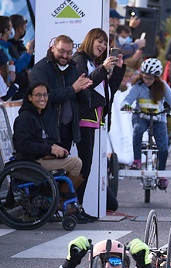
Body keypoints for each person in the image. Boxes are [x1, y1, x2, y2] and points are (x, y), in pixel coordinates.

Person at [72, 28, 125, 211]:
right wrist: (103, 68)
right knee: (83, 165)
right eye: (99, 41)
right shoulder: (80, 60)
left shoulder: (94, 63)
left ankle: (76, 206)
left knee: (86, 165)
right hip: (82, 118)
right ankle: (74, 206)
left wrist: (117, 69)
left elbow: (109, 90)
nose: (102, 46)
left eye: (105, 43)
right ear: (90, 40)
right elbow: (83, 85)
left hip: (94, 120)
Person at [12, 82, 83, 213]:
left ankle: (55, 199)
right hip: (31, 163)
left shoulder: (37, 115)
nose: (42, 98)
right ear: (29, 97)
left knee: (72, 160)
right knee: (76, 163)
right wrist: (50, 149)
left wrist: (53, 146)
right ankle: (59, 201)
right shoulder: (25, 118)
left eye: (45, 95)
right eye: (38, 95)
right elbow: (23, 145)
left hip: (38, 159)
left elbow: (39, 140)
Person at [29, 35, 93, 168]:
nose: (65, 56)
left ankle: (63, 190)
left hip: (68, 130)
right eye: (61, 51)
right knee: (52, 173)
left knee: (64, 170)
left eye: (69, 53)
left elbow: (84, 100)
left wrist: (83, 89)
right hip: (48, 131)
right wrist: (73, 89)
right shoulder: (41, 69)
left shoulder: (72, 68)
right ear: (53, 48)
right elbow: (45, 96)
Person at [121, 58, 171, 190]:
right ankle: (137, 160)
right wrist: (126, 105)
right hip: (141, 117)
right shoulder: (138, 86)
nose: (147, 81)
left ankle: (161, 173)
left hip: (158, 119)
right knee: (138, 130)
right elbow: (127, 100)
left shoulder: (163, 86)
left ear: (156, 77)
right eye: (145, 77)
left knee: (163, 147)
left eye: (150, 78)